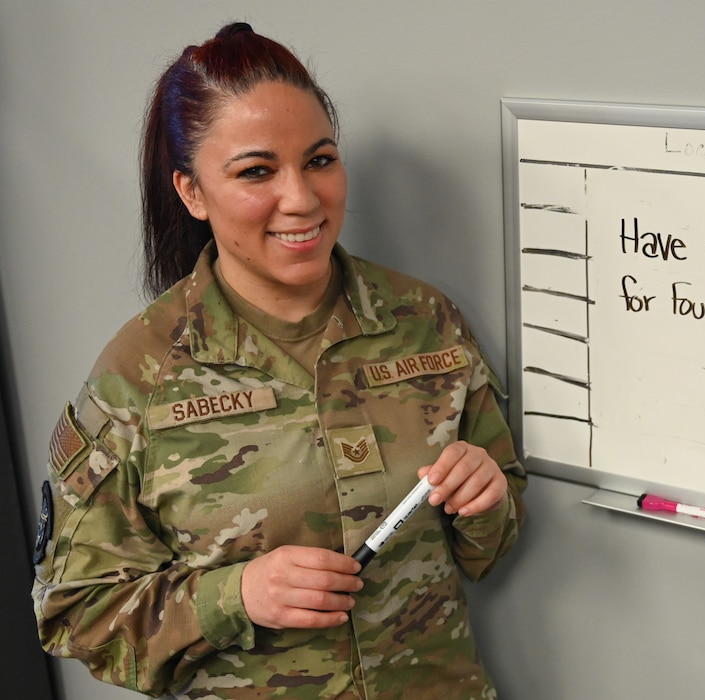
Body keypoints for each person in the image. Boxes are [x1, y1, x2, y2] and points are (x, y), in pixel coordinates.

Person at [31, 22, 526, 700]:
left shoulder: (424, 323)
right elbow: (75, 613)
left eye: (320, 160)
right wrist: (237, 595)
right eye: (256, 172)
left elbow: (488, 550)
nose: (301, 198)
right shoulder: (138, 377)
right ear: (192, 192)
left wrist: (485, 498)